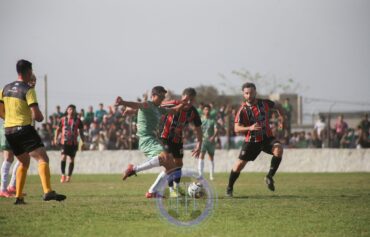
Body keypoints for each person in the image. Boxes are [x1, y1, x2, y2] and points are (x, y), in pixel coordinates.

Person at [0, 59, 66, 204]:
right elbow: (37, 116)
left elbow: (0, 110)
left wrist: (9, 119)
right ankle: (48, 191)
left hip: (9, 131)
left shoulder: (5, 88)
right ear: (29, 71)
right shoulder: (28, 90)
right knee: (43, 159)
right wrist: (40, 116)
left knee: (24, 162)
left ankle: (18, 197)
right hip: (23, 128)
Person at [116, 86, 188, 198]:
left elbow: (173, 111)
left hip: (153, 139)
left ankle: (152, 192)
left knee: (172, 167)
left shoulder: (159, 108)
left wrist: (183, 103)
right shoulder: (147, 104)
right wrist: (123, 102)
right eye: (160, 96)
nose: (162, 99)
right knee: (165, 158)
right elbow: (137, 105)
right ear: (153, 95)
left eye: (163, 97)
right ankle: (134, 169)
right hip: (146, 139)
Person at [226, 82, 285, 197]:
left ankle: (269, 176)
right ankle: (229, 187)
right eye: (247, 93)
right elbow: (236, 128)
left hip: (267, 138)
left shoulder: (265, 103)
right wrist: (250, 127)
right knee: (239, 165)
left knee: (278, 149)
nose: (249, 95)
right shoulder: (242, 110)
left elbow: (278, 106)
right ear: (244, 94)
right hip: (251, 141)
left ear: (255, 92)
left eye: (251, 93)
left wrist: (281, 119)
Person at [155, 87, 202, 198]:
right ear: (182, 98)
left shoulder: (193, 111)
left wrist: (199, 144)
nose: (189, 102)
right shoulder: (173, 104)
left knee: (179, 164)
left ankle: (176, 187)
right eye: (187, 99)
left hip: (178, 139)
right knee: (170, 164)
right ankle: (172, 190)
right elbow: (156, 106)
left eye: (192, 100)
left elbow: (198, 128)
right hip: (164, 137)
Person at [54, 104, 85, 183]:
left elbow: (81, 132)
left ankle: (69, 176)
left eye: (73, 109)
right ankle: (63, 175)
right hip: (64, 142)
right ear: (67, 110)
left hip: (74, 143)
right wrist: (55, 139)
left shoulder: (78, 120)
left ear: (75, 111)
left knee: (71, 159)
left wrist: (83, 142)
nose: (71, 111)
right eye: (70, 109)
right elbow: (58, 130)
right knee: (63, 156)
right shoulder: (62, 119)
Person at [198, 104, 218, 180]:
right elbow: (198, 129)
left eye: (208, 109)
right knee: (201, 155)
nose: (207, 111)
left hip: (211, 141)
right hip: (203, 140)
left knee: (211, 157)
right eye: (205, 109)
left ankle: (211, 175)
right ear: (203, 111)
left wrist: (213, 136)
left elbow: (216, 130)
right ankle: (200, 174)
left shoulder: (213, 120)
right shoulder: (200, 120)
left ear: (210, 110)